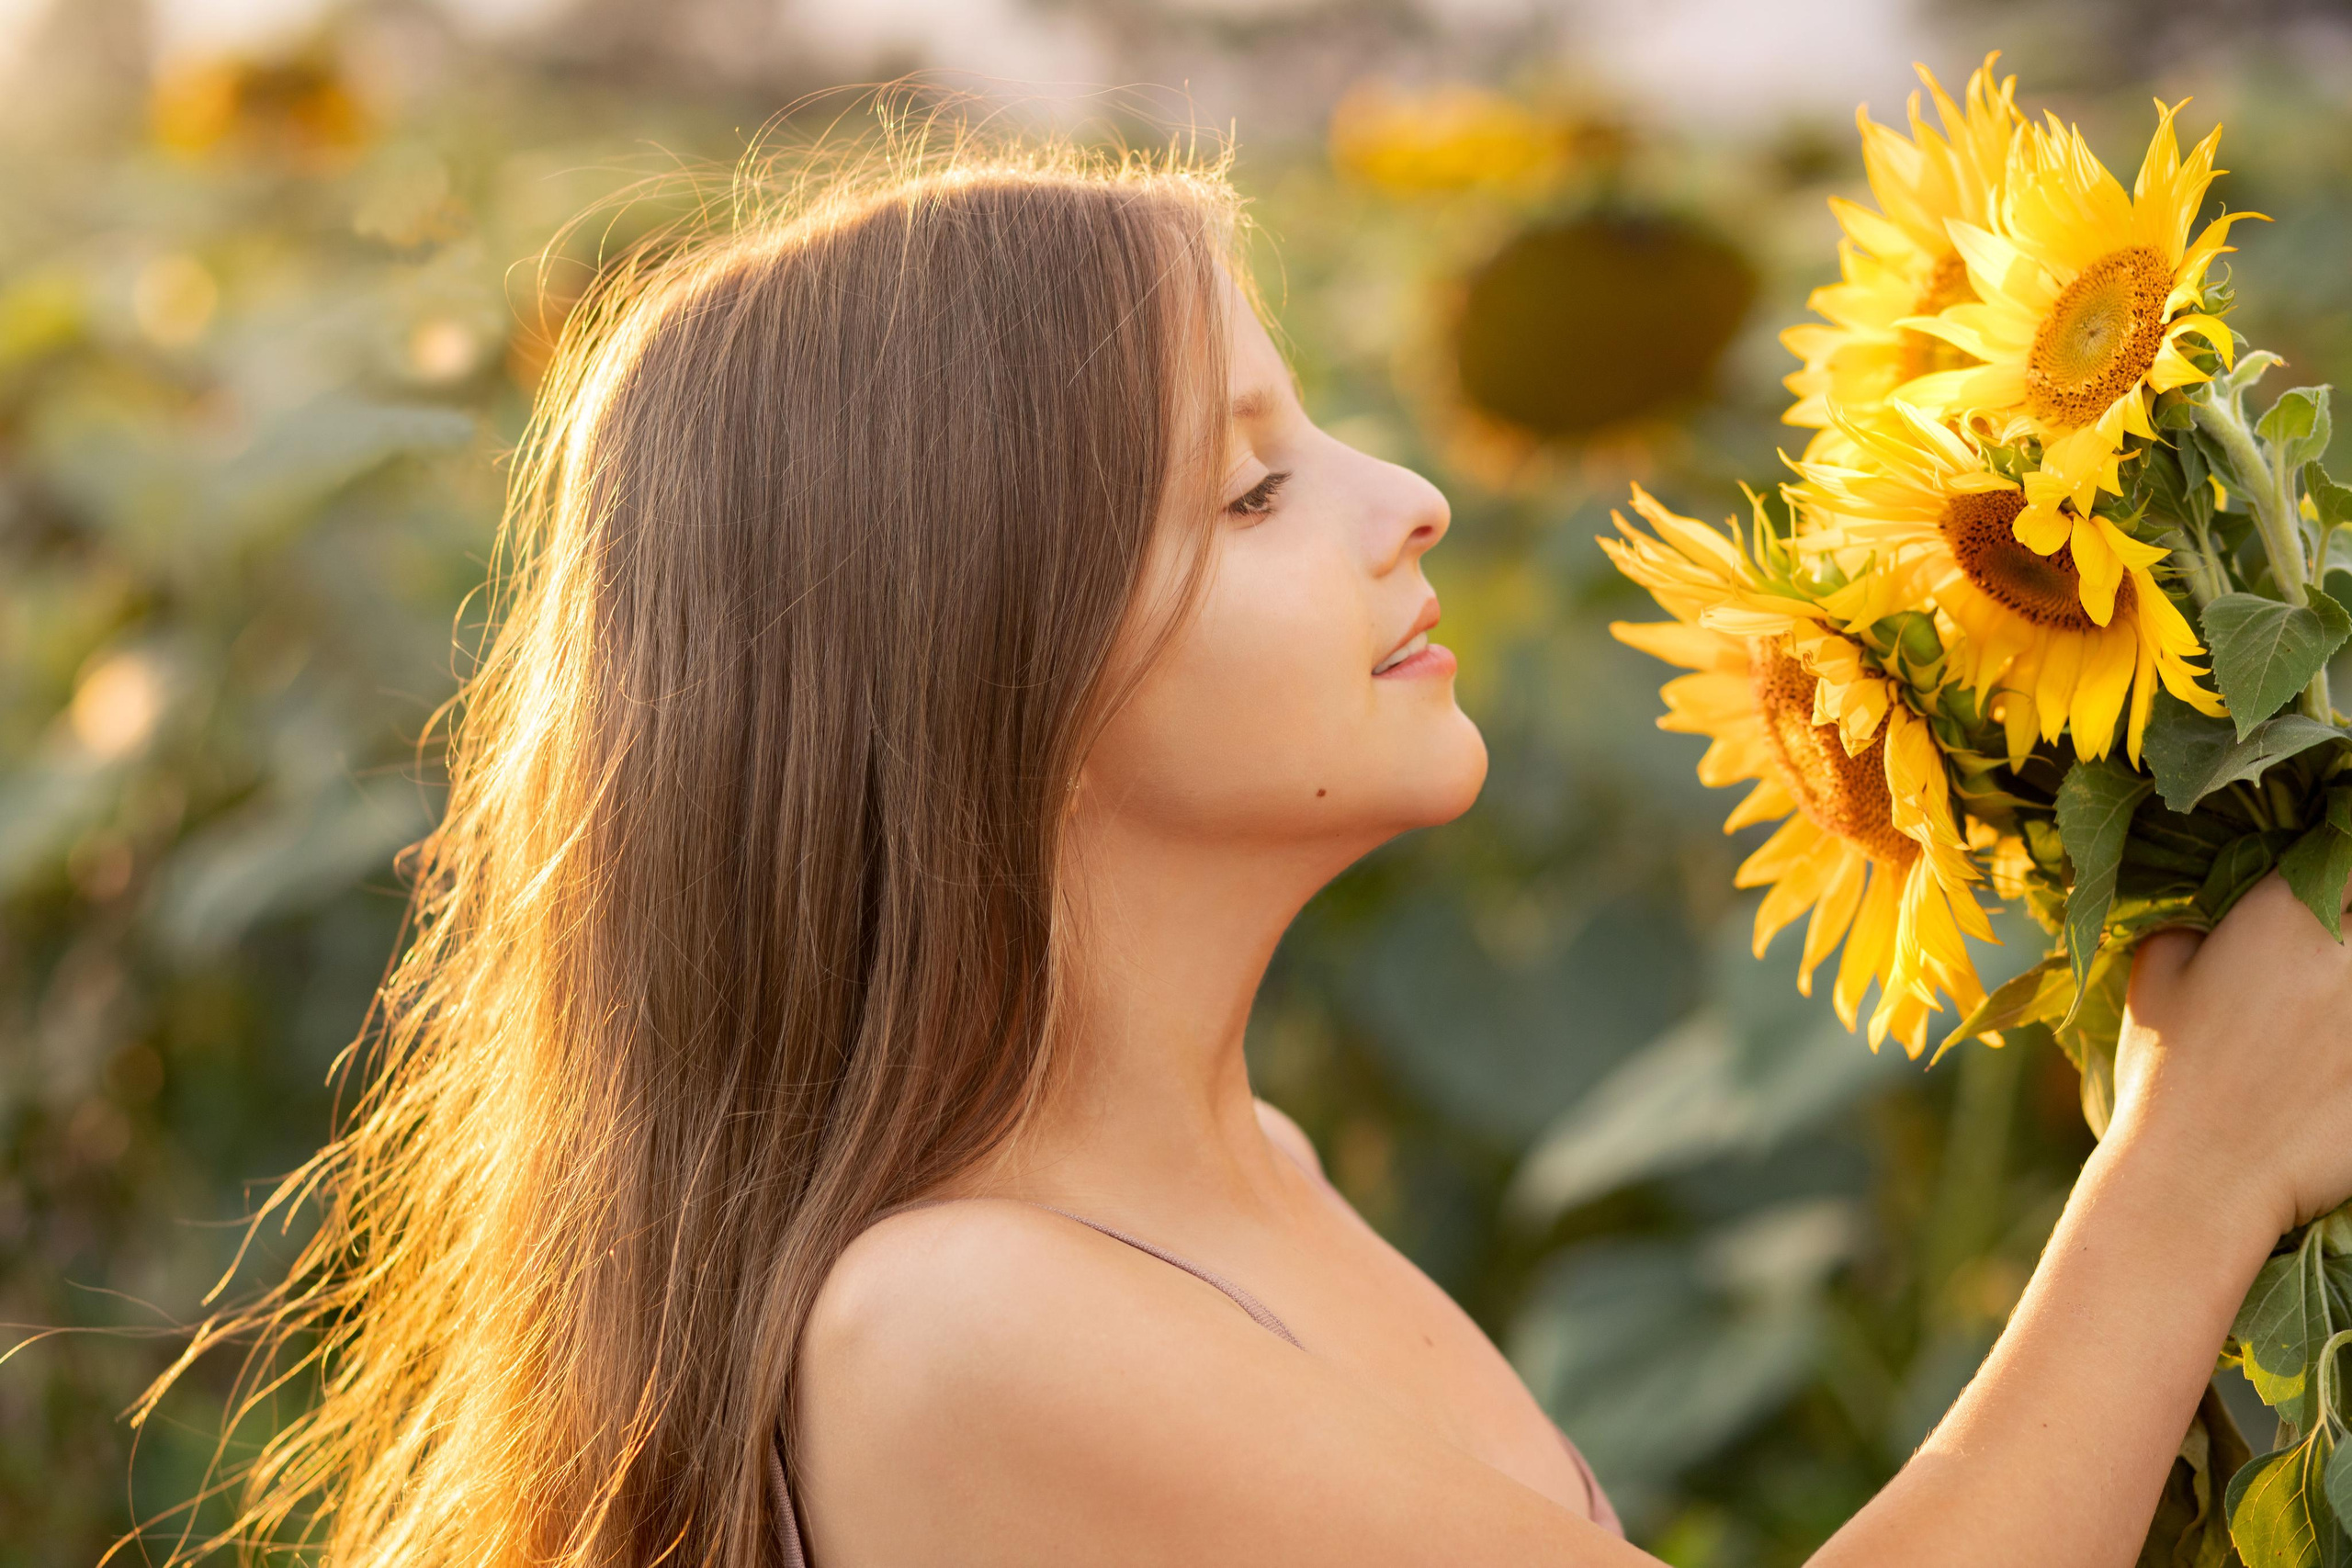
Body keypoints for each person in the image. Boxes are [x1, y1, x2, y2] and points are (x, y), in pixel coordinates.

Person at [161, 140, 2352, 1568]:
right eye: (1243, 488)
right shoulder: (959, 1325)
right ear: (981, 672)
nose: (1402, 493)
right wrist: (2184, 1168)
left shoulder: (1245, 1183)